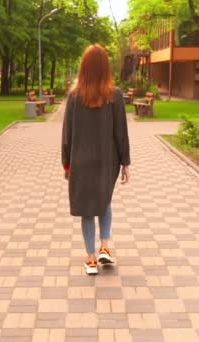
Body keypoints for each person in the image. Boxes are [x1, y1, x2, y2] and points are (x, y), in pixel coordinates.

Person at [61, 44, 131, 275]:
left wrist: (66, 164)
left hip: (80, 161)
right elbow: (121, 132)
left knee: (87, 210)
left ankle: (91, 259)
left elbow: (66, 135)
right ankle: (105, 246)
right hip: (106, 162)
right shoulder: (115, 95)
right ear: (105, 68)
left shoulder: (74, 97)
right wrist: (125, 162)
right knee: (104, 200)